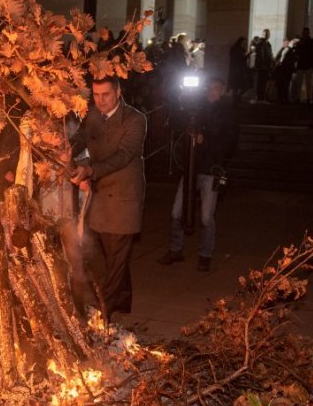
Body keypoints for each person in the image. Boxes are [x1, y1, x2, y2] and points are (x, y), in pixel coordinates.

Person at [69, 75, 147, 321]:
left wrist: (90, 170)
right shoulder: (93, 115)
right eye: (96, 95)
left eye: (106, 95)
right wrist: (67, 149)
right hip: (101, 195)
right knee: (96, 252)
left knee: (114, 259)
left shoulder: (135, 119)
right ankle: (121, 301)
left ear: (118, 92)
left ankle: (106, 313)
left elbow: (123, 155)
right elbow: (81, 137)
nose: (100, 101)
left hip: (123, 197)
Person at [158, 78, 238, 271]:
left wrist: (206, 139)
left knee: (206, 217)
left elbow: (228, 142)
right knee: (177, 212)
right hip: (191, 167)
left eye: (216, 88)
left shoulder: (228, 113)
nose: (212, 91)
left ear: (223, 90)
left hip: (210, 170)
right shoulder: (197, 108)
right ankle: (176, 249)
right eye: (210, 87)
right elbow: (178, 123)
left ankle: (205, 255)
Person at [292, 27, 313, 104]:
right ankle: (303, 97)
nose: (304, 34)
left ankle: (306, 98)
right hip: (304, 64)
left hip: (307, 64)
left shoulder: (309, 42)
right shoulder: (305, 42)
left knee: (306, 82)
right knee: (302, 82)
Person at [227, 37, 251, 108]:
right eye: (243, 43)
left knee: (242, 85)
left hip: (239, 70)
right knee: (235, 87)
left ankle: (237, 99)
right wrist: (248, 54)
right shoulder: (235, 49)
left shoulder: (239, 49)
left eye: (244, 43)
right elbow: (240, 59)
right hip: (236, 70)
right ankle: (235, 102)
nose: (244, 44)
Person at [251, 29, 273, 104]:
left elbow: (269, 55)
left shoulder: (268, 44)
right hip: (261, 67)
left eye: (267, 34)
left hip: (266, 67)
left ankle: (261, 97)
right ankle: (259, 98)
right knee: (260, 82)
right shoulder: (260, 43)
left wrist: (270, 64)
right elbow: (260, 55)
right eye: (264, 34)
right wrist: (262, 64)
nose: (266, 35)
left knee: (263, 82)